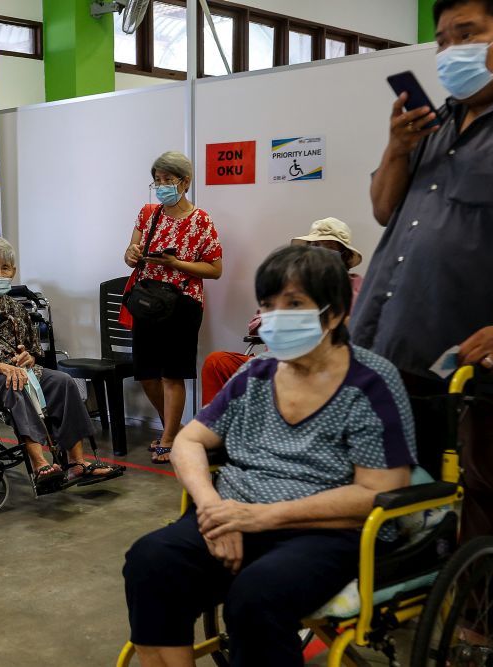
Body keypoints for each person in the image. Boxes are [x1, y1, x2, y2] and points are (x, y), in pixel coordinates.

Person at [123, 245, 416, 667]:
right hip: (234, 513)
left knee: (256, 597)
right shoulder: (254, 375)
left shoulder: (370, 383)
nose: (276, 317)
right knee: (151, 563)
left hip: (324, 532)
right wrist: (213, 507)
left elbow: (378, 491)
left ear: (335, 313)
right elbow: (189, 441)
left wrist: (260, 517)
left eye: (293, 304)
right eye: (268, 305)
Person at [353, 0, 493, 542]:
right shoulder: (433, 122)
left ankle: (478, 598)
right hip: (386, 345)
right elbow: (383, 209)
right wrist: (397, 146)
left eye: (467, 34)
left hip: (468, 367)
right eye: (443, 40)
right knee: (394, 498)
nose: (451, 51)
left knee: (479, 503)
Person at [0, 237, 124, 488]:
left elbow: (32, 350)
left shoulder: (16, 309)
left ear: (13, 272)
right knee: (14, 383)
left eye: (5, 268)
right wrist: (2, 367)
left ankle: (77, 463)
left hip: (17, 369)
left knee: (63, 382)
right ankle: (40, 464)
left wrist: (28, 357)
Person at [123, 152, 223, 464]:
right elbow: (129, 254)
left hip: (183, 304)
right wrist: (131, 254)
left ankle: (168, 439)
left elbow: (215, 269)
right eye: (158, 180)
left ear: (185, 182)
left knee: (171, 375)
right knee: (146, 374)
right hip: (147, 302)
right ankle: (174, 429)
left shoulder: (201, 220)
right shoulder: (148, 214)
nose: (162, 186)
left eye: (168, 179)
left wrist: (175, 263)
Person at [200, 217, 364, 406]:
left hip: (324, 365)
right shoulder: (291, 281)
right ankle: (216, 422)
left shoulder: (357, 288)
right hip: (274, 361)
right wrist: (278, 318)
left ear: (344, 256)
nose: (319, 254)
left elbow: (358, 329)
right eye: (315, 246)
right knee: (217, 362)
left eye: (328, 248)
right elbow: (255, 324)